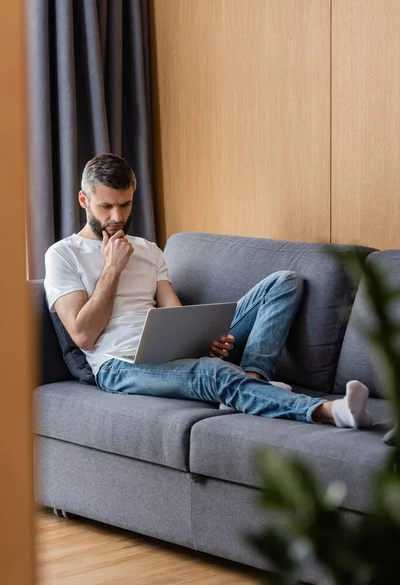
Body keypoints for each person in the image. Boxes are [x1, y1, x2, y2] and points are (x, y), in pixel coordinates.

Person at [44, 153, 373, 429]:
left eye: (125, 205)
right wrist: (112, 268)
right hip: (120, 366)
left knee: (284, 282)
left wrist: (202, 339)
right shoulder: (63, 254)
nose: (117, 217)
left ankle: (253, 377)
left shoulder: (148, 250)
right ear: (84, 200)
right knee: (210, 372)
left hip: (168, 350)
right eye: (106, 207)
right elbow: (84, 336)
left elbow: (173, 313)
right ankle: (329, 411)